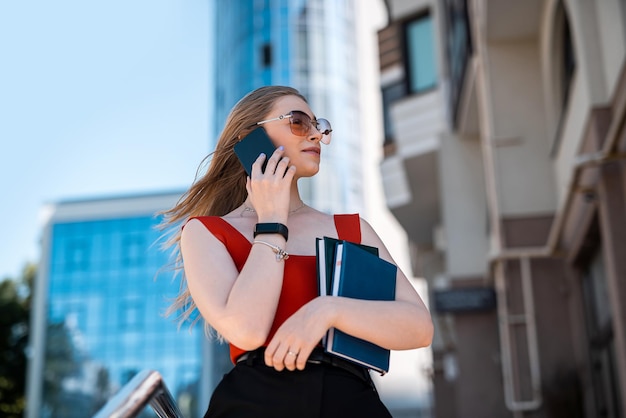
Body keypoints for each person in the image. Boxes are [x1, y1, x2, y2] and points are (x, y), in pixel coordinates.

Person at [161, 85, 433, 418]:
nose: (317, 135)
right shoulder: (207, 232)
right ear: (251, 138)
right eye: (299, 122)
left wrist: (326, 310)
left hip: (350, 399)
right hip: (255, 402)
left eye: (319, 126)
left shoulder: (352, 229)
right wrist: (272, 222)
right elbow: (247, 330)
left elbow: (419, 327)